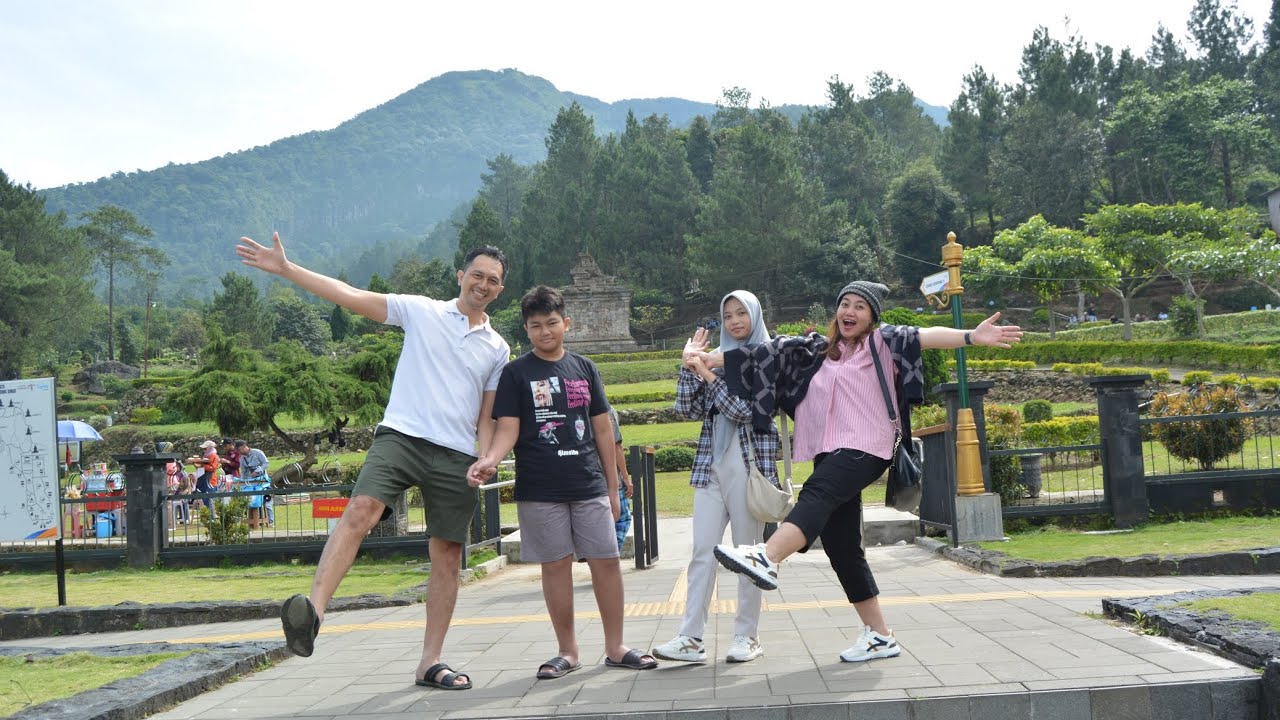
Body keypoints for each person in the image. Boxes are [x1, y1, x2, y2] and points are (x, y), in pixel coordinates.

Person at [237, 231, 510, 690]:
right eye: (477, 275)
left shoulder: (497, 348)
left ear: (500, 291)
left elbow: (487, 415)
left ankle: (430, 661)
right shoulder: (422, 311)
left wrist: (486, 458)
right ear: (460, 276)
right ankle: (314, 613)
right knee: (359, 512)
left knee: (446, 554)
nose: (482, 284)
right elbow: (350, 296)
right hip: (401, 436)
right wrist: (287, 269)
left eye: (493, 281)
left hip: (456, 454)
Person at [709, 281, 1022, 663]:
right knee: (842, 546)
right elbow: (760, 355)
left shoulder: (882, 342)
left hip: (866, 447)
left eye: (859, 306)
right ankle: (879, 635)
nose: (850, 311)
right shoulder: (817, 352)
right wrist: (709, 360)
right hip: (829, 451)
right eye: (844, 303)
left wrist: (972, 336)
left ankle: (767, 557)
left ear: (872, 316)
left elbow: (925, 336)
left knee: (816, 495)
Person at [466, 285, 658, 679]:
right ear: (526, 329)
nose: (545, 332)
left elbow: (603, 431)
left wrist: (613, 486)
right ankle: (567, 651)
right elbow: (509, 429)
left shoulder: (585, 368)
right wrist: (490, 459)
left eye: (552, 323)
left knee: (607, 563)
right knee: (555, 567)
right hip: (539, 487)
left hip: (588, 484)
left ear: (566, 323)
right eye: (535, 326)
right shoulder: (516, 374)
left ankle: (616, 646)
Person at [653, 291, 774, 665]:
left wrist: (706, 372)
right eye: (728, 315)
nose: (735, 321)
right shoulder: (715, 360)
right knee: (702, 552)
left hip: (748, 466)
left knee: (747, 554)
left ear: (754, 315)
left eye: (741, 313)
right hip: (710, 465)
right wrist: (688, 363)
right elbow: (686, 407)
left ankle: (746, 636)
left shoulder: (766, 359)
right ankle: (691, 637)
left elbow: (741, 411)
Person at [607, 406, 633, 553]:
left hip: (587, 477)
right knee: (622, 519)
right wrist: (625, 478)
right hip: (610, 479)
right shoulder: (607, 410)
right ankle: (609, 558)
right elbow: (616, 446)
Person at [237, 440, 273, 527]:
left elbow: (266, 463)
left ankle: (271, 522)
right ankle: (253, 522)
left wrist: (257, 471)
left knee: (266, 502)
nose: (239, 452)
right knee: (250, 501)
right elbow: (243, 472)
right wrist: (242, 482)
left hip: (263, 481)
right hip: (251, 483)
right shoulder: (242, 458)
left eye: (239, 450)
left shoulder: (257, 453)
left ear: (244, 446)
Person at [187, 440, 220, 519]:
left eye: (205, 448)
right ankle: (210, 516)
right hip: (203, 479)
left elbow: (213, 468)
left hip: (210, 480)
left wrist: (202, 465)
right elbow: (200, 468)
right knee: (205, 499)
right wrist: (196, 463)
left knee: (209, 499)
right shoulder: (206, 456)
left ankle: (212, 517)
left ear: (210, 448)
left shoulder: (214, 456)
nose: (204, 450)